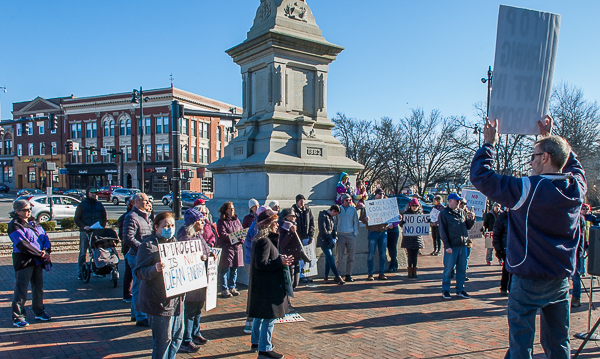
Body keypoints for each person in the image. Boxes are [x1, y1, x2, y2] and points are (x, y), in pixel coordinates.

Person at [470, 116, 586, 358]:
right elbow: (575, 167)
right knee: (558, 343)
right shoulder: (576, 188)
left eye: (533, 156)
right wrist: (549, 138)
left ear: (545, 158)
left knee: (521, 346)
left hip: (529, 276)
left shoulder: (528, 188)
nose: (531, 162)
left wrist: (488, 144)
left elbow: (481, 176)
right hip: (560, 278)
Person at [134, 211, 184, 359]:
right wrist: (154, 269)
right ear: (156, 227)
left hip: (177, 300)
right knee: (163, 342)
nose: (170, 228)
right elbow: (139, 271)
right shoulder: (148, 245)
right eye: (166, 225)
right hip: (158, 302)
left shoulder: (175, 243)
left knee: (177, 338)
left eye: (172, 225)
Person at [247, 208, 294, 359]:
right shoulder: (265, 241)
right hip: (267, 285)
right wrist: (279, 261)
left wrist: (279, 259)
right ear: (267, 224)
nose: (277, 225)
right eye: (274, 223)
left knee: (260, 315)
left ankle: (256, 342)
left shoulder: (262, 239)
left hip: (262, 285)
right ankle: (265, 348)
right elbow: (261, 264)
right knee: (269, 316)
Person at [9, 199, 52, 327]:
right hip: (24, 261)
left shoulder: (34, 223)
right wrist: (40, 253)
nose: (29, 212)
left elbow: (44, 237)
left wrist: (46, 250)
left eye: (29, 209)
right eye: (26, 210)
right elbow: (23, 244)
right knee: (21, 289)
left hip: (38, 261)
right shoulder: (14, 225)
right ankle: (18, 317)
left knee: (38, 287)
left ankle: (39, 311)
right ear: (17, 211)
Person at [176, 208, 214, 353]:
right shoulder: (185, 235)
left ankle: (195, 333)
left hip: (201, 276)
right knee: (190, 310)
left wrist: (210, 253)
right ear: (193, 222)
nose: (203, 222)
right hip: (191, 279)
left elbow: (205, 248)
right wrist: (200, 258)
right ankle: (186, 340)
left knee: (198, 308)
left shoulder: (198, 235)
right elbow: (185, 255)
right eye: (200, 220)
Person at [123, 193, 153, 327]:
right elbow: (128, 237)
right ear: (136, 202)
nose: (147, 203)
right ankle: (140, 316)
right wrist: (142, 248)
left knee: (140, 285)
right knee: (138, 286)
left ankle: (136, 314)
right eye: (145, 200)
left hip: (144, 255)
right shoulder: (132, 217)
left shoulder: (144, 216)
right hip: (136, 255)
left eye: (148, 200)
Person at [439, 193, 475, 299]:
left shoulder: (461, 212)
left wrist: (471, 220)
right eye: (456, 200)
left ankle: (460, 289)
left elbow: (467, 227)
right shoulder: (444, 214)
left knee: (462, 269)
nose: (459, 202)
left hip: (462, 245)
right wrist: (447, 245)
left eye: (459, 200)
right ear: (450, 201)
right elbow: (442, 231)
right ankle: (445, 290)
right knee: (448, 269)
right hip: (452, 246)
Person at [243, 205, 268, 334]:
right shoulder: (257, 228)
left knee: (256, 292)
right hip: (253, 263)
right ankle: (250, 323)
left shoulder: (257, 225)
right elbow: (257, 248)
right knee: (255, 293)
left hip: (253, 262)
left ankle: (252, 322)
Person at [73, 186, 107, 280]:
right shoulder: (82, 205)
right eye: (92, 193)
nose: (93, 195)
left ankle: (98, 269)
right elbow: (76, 219)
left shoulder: (99, 205)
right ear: (87, 193)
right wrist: (84, 227)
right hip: (85, 232)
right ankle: (81, 271)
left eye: (95, 193)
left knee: (97, 252)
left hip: (97, 231)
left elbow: (104, 217)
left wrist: (102, 227)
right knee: (83, 252)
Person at [359, 188, 389, 281]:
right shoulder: (369, 205)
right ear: (375, 194)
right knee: (371, 254)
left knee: (383, 254)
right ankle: (370, 273)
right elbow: (362, 218)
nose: (381, 195)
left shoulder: (386, 204)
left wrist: (397, 217)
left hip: (383, 231)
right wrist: (366, 219)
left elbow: (392, 216)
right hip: (373, 232)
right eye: (380, 193)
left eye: (383, 194)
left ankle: (381, 273)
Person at [216, 201, 244, 298]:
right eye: (230, 209)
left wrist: (241, 239)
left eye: (233, 209)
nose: (232, 210)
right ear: (226, 210)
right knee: (224, 269)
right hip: (227, 248)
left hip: (237, 248)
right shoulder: (221, 221)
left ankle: (232, 287)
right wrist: (235, 238)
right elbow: (223, 235)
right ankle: (224, 289)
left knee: (234, 269)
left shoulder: (237, 221)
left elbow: (242, 232)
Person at [279, 208, 310, 288]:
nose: (295, 217)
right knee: (290, 282)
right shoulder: (282, 227)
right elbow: (282, 244)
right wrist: (290, 232)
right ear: (287, 217)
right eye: (293, 216)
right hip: (288, 257)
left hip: (296, 256)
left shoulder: (294, 225)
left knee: (295, 282)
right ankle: (286, 299)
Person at [334, 193, 360, 281]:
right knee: (339, 257)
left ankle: (348, 274)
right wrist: (335, 233)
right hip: (340, 235)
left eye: (350, 200)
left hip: (351, 235)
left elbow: (356, 222)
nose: (348, 202)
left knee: (351, 256)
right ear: (342, 201)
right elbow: (335, 222)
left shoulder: (353, 210)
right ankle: (338, 274)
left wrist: (355, 233)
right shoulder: (339, 209)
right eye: (347, 200)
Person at [317, 205, 345, 284]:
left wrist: (335, 237)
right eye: (336, 213)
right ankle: (337, 276)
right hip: (324, 240)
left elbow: (334, 229)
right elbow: (323, 229)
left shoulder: (331, 218)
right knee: (330, 258)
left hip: (330, 240)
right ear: (333, 210)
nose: (335, 215)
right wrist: (330, 238)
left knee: (328, 259)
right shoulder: (323, 215)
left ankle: (326, 277)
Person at [292, 194, 315, 283]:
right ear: (297, 201)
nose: (302, 202)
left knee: (308, 256)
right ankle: (301, 275)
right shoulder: (294, 211)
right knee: (300, 257)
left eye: (303, 200)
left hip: (306, 236)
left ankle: (307, 274)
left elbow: (312, 223)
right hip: (299, 238)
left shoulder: (307, 210)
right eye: (300, 200)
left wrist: (311, 235)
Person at [399, 198, 423, 278]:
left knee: (415, 255)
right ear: (410, 206)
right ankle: (409, 271)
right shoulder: (406, 214)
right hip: (408, 238)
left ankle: (414, 271)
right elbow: (401, 225)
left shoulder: (420, 215)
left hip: (417, 238)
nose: (414, 207)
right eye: (413, 205)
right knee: (410, 254)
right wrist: (402, 221)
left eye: (416, 205)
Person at [118, 199, 135, 304]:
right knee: (129, 271)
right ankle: (127, 293)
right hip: (129, 248)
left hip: (135, 248)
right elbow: (123, 236)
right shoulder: (126, 217)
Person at [493, 209, 510, 296]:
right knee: (506, 270)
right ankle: (504, 288)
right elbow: (496, 234)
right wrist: (498, 249)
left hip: (516, 248)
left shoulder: (519, 215)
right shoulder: (502, 217)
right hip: (505, 247)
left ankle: (512, 289)